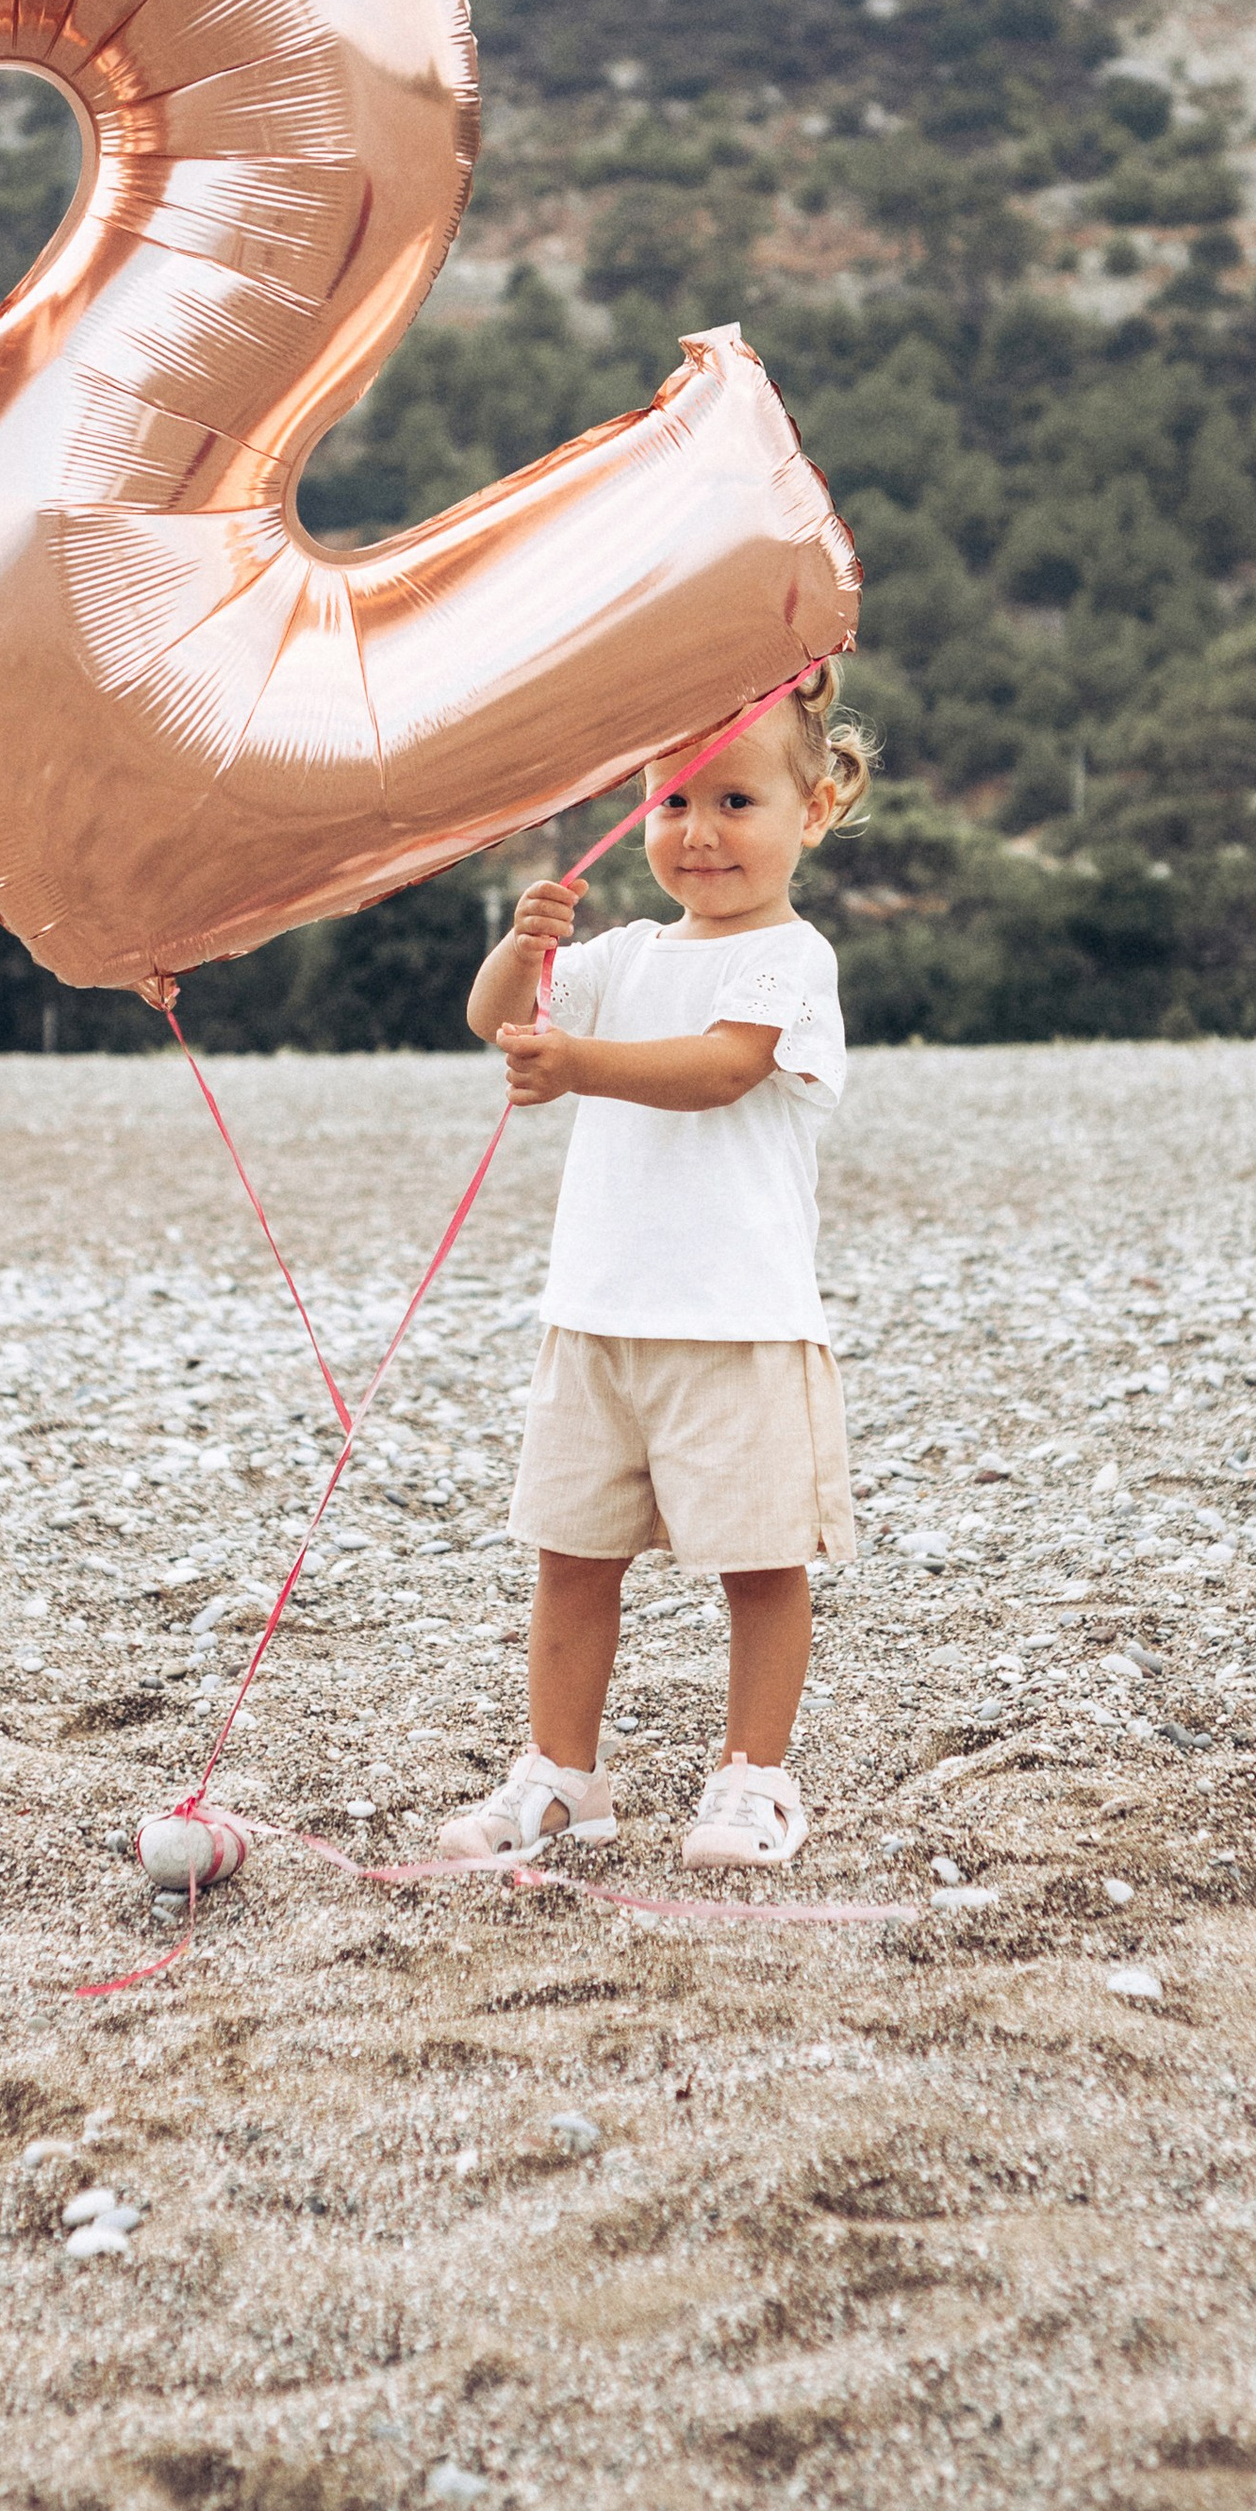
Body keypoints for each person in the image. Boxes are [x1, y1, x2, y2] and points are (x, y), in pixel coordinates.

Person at [433, 663, 873, 1874]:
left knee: (758, 1561)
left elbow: (721, 1067)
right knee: (571, 1558)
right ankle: (562, 1774)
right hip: (595, 1320)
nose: (700, 832)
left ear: (812, 810)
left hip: (736, 1323)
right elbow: (492, 1019)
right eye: (671, 803)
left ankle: (751, 1779)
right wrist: (520, 954)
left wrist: (575, 1063)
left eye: (736, 802)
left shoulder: (790, 959)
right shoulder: (621, 952)